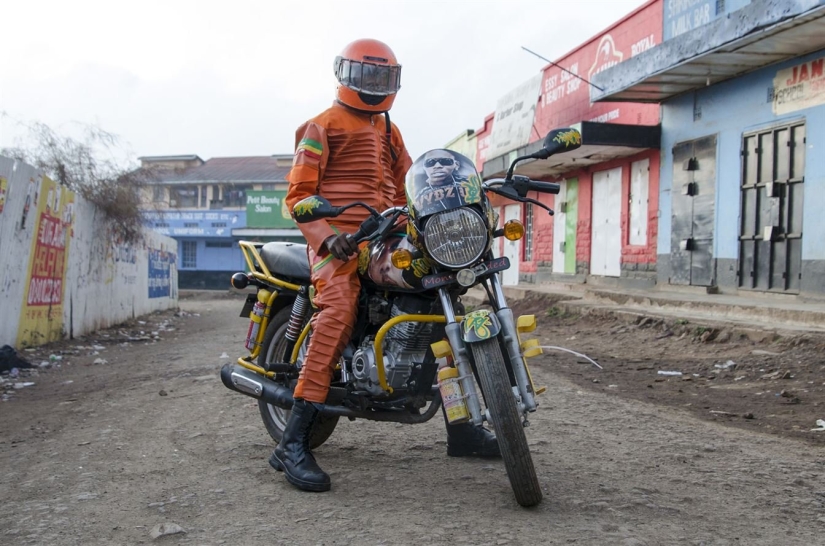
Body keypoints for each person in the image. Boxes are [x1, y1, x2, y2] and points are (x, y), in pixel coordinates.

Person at [275, 38, 499, 494]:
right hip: (339, 243)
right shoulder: (319, 127)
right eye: (367, 76)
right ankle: (293, 442)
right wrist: (327, 236)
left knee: (441, 298)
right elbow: (297, 197)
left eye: (383, 77)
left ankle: (460, 428)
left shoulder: (389, 129)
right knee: (337, 313)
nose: (375, 86)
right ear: (347, 75)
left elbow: (409, 190)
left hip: (387, 240)